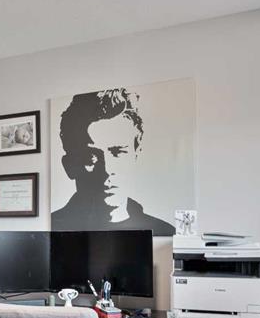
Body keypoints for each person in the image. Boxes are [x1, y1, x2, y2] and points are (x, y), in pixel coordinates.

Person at [51, 88, 174, 236]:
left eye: (118, 152)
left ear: (136, 157)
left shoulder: (164, 232)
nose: (107, 170)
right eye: (91, 157)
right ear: (69, 166)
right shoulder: (52, 229)